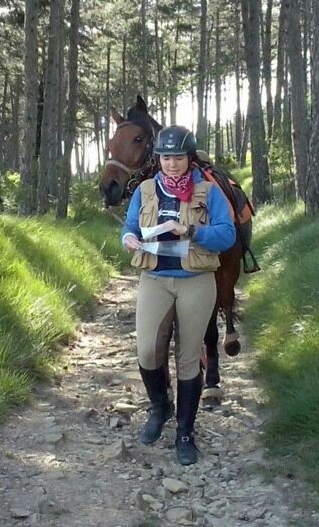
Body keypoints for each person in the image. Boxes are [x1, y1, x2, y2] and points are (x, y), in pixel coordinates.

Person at [121, 124, 236, 465]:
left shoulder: (208, 192)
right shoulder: (144, 191)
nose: (171, 164)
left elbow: (227, 235)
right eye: (165, 157)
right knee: (146, 350)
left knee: (188, 357)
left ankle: (185, 432)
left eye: (178, 157)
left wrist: (191, 230)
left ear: (189, 158)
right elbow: (129, 227)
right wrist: (126, 239)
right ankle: (160, 407)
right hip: (155, 277)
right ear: (158, 159)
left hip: (195, 278)